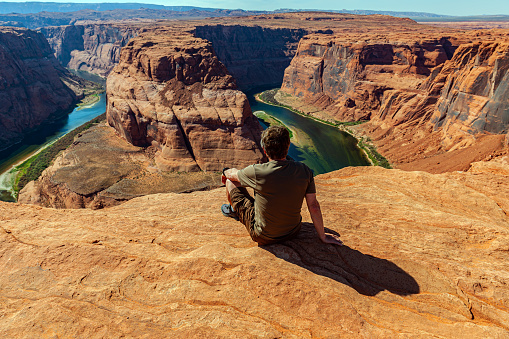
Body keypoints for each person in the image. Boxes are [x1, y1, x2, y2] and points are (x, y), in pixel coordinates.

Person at [221, 125, 343, 246]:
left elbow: (233, 175)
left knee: (230, 182)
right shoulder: (304, 170)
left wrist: (225, 172)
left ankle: (234, 210)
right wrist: (323, 236)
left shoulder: (257, 171)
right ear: (288, 146)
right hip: (293, 232)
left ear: (264, 150)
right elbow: (314, 206)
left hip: (263, 236)